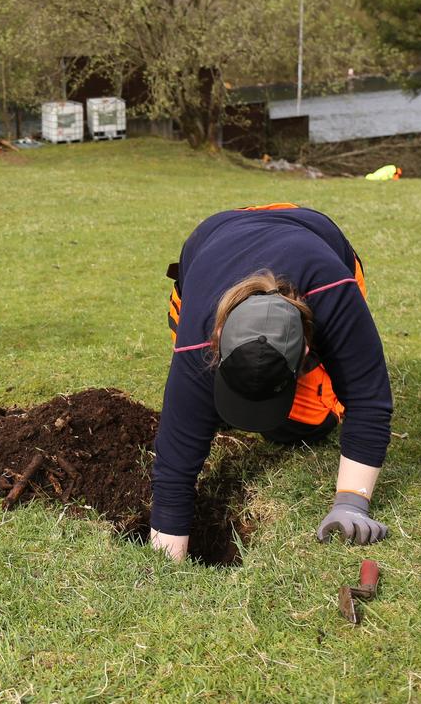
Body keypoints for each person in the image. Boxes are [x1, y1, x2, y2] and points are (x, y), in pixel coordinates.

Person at [151, 204, 393, 561]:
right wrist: (167, 561)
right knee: (197, 403)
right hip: (213, 240)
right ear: (216, 341)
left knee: (307, 424)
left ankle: (289, 399)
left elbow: (368, 400)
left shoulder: (335, 293)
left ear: (308, 350)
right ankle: (231, 396)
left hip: (313, 234)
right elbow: (174, 462)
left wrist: (352, 503)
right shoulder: (197, 339)